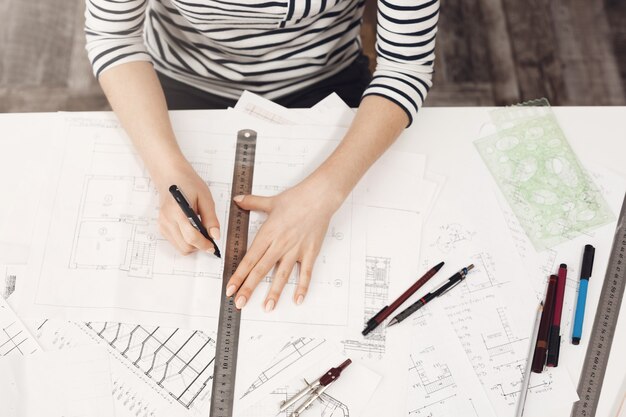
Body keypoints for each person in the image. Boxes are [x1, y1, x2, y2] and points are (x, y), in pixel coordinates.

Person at [85, 0, 439, 312]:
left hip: (326, 81)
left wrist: (324, 194)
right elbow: (113, 36)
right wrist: (167, 171)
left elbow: (405, 67)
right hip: (181, 80)